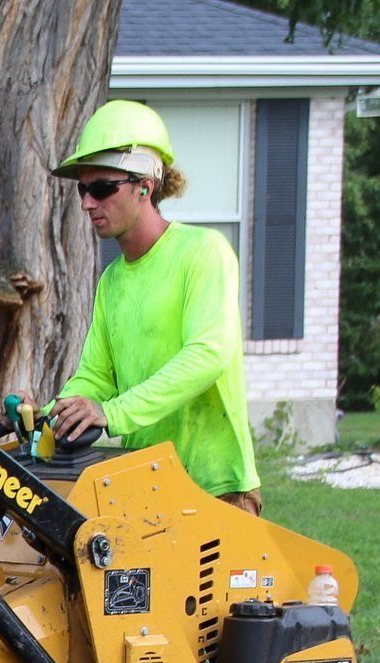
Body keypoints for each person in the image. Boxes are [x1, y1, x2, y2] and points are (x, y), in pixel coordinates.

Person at [48, 100, 262, 515]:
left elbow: (207, 355)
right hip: (144, 490)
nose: (87, 203)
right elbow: (95, 376)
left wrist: (112, 413)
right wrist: (51, 412)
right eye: (82, 188)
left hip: (217, 489)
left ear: (145, 186)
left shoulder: (203, 253)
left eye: (102, 188)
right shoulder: (112, 281)